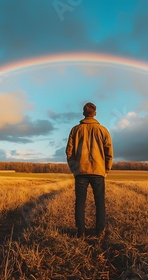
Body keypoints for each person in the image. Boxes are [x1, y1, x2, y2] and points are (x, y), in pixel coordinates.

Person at [66, 102, 113, 239]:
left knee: (80, 202)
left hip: (81, 171)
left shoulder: (75, 130)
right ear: (95, 113)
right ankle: (100, 231)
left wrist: (75, 169)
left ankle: (81, 232)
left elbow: (69, 152)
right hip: (98, 171)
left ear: (83, 113)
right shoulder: (103, 130)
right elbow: (109, 152)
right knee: (100, 202)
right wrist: (106, 170)